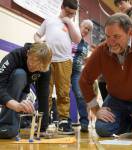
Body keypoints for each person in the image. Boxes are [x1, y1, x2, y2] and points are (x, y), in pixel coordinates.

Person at [79, 13, 132, 137]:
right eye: (107, 36)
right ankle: (130, 122)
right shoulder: (101, 50)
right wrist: (96, 109)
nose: (111, 42)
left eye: (116, 36)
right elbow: (84, 80)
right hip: (116, 99)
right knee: (103, 129)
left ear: (129, 32)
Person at [34, 0, 81, 135]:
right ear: (61, 7)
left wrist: (69, 21)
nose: (70, 15)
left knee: (63, 92)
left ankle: (64, 121)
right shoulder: (49, 20)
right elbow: (37, 35)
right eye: (68, 12)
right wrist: (39, 43)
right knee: (45, 92)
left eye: (73, 14)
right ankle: (44, 120)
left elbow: (77, 40)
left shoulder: (72, 23)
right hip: (47, 61)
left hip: (64, 61)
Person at [0, 42, 52, 139]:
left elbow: (43, 96)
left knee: (20, 123)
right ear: (28, 53)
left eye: (38, 68)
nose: (33, 67)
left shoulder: (44, 69)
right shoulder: (15, 56)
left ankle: (18, 123)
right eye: (31, 62)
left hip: (23, 91)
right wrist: (15, 105)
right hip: (5, 91)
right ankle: (5, 125)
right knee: (20, 74)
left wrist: (43, 127)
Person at [71, 19, 93, 132]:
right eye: (85, 27)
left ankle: (84, 122)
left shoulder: (86, 45)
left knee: (80, 95)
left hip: (77, 72)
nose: (86, 30)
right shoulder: (70, 36)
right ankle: (65, 122)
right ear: (80, 26)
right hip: (65, 68)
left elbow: (83, 60)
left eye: (88, 30)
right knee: (63, 94)